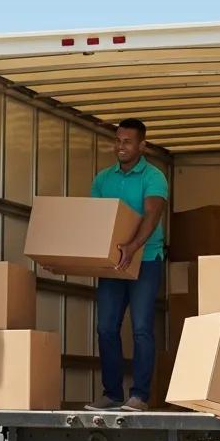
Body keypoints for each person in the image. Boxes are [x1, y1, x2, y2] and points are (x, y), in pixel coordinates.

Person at [86, 118, 168, 413]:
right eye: (118, 140)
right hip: (113, 264)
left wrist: (132, 248)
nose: (121, 146)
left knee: (142, 328)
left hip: (145, 261)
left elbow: (152, 216)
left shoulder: (154, 176)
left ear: (142, 145)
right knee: (106, 328)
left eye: (127, 141)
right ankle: (112, 394)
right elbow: (95, 218)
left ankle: (139, 396)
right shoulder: (103, 178)